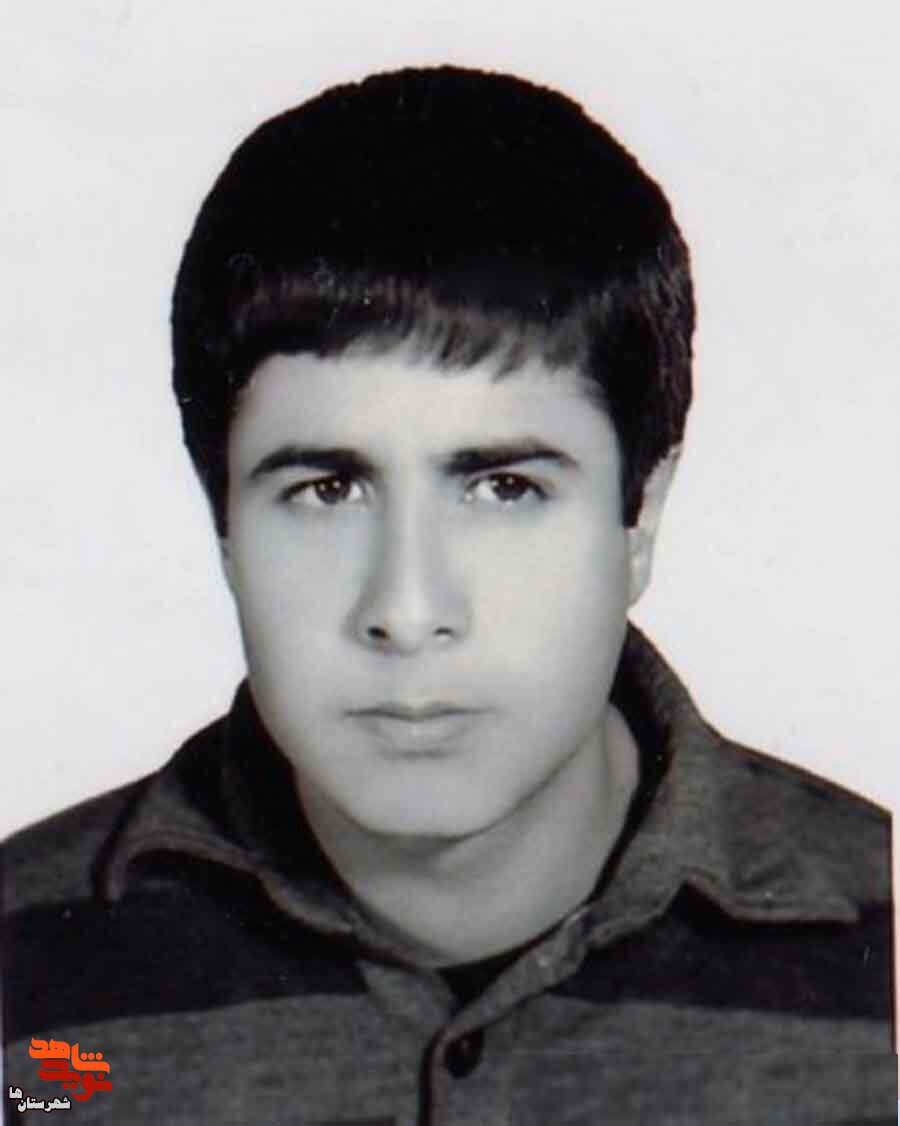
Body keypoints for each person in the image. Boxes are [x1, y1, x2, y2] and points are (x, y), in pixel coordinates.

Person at [3, 66, 894, 1124]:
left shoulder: (880, 955)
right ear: (224, 523)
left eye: (504, 488)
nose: (409, 607)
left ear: (640, 517)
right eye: (327, 490)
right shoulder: (21, 988)